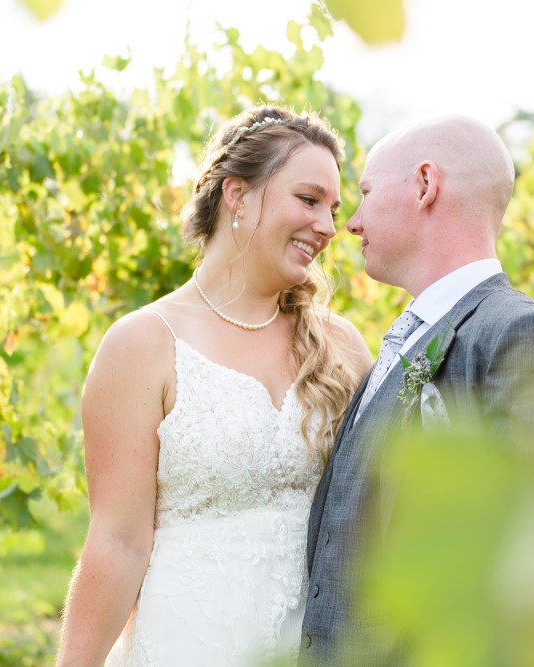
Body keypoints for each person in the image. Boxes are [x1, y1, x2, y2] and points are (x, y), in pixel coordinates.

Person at [56, 106, 372, 666]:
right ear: (237, 195)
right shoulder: (143, 344)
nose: (328, 226)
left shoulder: (340, 347)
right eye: (308, 199)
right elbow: (118, 542)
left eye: (333, 208)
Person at [300, 116, 534, 665]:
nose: (350, 223)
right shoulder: (405, 340)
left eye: (366, 194)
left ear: (425, 185)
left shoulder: (524, 337)